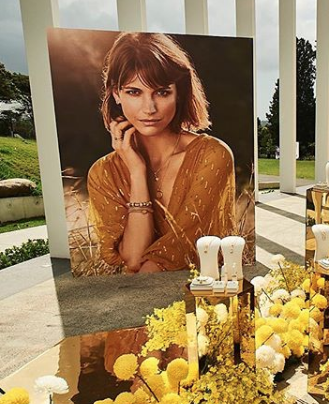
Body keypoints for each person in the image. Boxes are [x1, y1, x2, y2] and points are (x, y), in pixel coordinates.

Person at [87, 32, 235, 274]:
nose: (149, 108)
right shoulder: (103, 173)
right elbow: (133, 258)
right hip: (141, 290)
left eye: (162, 92)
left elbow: (184, 248)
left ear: (179, 93)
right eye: (134, 92)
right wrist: (137, 172)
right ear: (116, 94)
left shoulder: (213, 155)